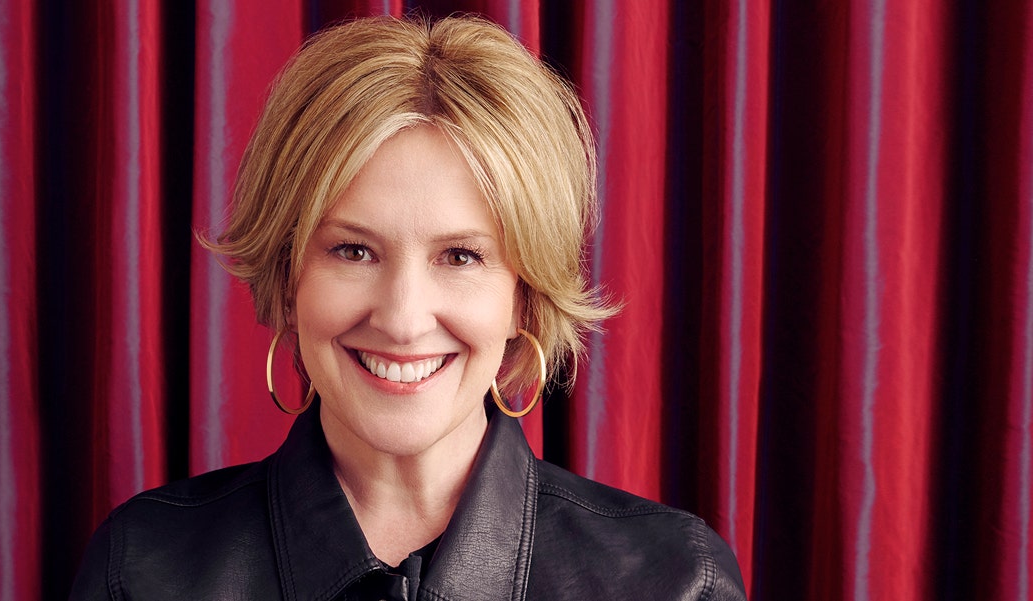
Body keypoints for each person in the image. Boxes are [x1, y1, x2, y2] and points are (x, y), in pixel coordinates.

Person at [71, 15, 746, 600]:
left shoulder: (676, 580)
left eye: (460, 256)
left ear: (524, 295)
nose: (402, 318)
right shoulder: (142, 568)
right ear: (288, 274)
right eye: (353, 251)